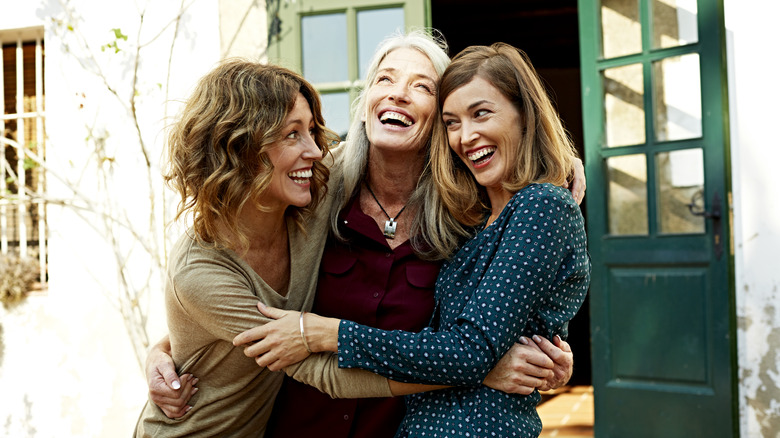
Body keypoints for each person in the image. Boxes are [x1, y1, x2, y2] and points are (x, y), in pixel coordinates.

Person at [145, 31, 585, 437]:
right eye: (385, 78)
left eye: (422, 86)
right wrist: (163, 350)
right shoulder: (315, 193)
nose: (398, 92)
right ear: (367, 98)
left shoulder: (469, 212)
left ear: (439, 119)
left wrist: (530, 358)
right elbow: (236, 294)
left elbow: (505, 312)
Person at [135, 59, 400, 437]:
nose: (313, 150)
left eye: (311, 130)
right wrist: (463, 369)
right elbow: (322, 372)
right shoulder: (201, 271)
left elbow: (369, 142)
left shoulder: (309, 197)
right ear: (239, 147)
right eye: (292, 134)